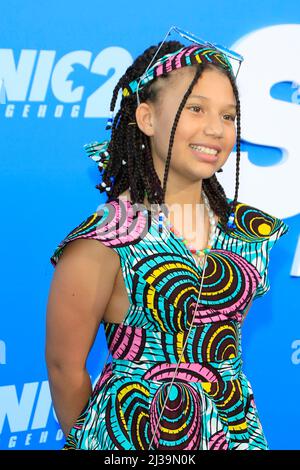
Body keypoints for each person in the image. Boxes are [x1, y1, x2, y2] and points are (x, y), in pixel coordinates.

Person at [46, 32, 289, 450]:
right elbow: (65, 368)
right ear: (147, 119)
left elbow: (224, 346)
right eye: (196, 109)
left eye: (229, 116)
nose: (215, 129)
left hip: (233, 435)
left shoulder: (249, 231)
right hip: (131, 436)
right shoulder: (105, 239)